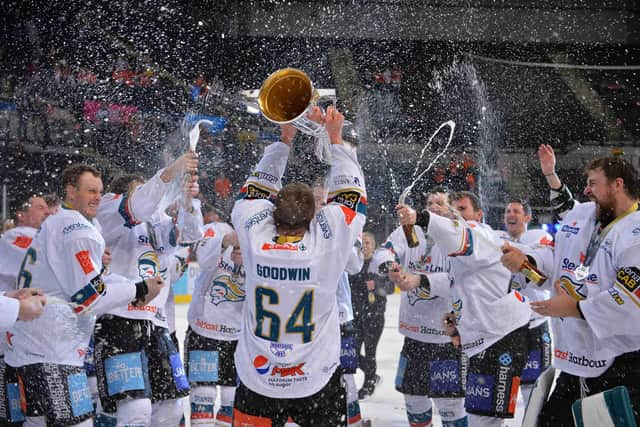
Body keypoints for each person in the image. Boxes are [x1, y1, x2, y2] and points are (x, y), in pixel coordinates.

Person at [231, 105, 367, 426]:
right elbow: (351, 192)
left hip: (258, 376)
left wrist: (285, 140)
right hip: (315, 378)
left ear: (272, 213)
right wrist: (336, 139)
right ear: (313, 217)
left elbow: (256, 189)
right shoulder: (326, 244)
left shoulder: (254, 234)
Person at [5, 164, 163, 426]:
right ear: (70, 191)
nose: (98, 198)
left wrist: (128, 283)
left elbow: (78, 282)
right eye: (90, 191)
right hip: (51, 352)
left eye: (100, 192)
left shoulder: (57, 222)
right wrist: (139, 289)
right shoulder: (75, 228)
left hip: (29, 348)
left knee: (37, 423)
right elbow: (88, 299)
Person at [502, 149, 640, 426]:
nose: (586, 191)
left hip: (620, 366)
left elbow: (630, 301)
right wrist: (527, 262)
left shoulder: (635, 234)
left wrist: (576, 308)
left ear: (618, 184)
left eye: (593, 184)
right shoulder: (587, 215)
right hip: (575, 358)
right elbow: (559, 258)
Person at [395, 190, 531, 427]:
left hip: (502, 339)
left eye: (462, 209)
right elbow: (463, 286)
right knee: (479, 417)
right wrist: (459, 325)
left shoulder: (478, 234)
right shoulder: (460, 248)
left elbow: (458, 234)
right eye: (454, 208)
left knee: (484, 420)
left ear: (479, 214)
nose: (456, 213)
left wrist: (422, 217)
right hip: (482, 338)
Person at [93, 152, 202, 426]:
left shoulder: (154, 220)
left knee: (171, 407)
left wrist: (189, 203)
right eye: (143, 191)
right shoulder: (108, 210)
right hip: (119, 323)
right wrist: (171, 171)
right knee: (136, 409)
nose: (154, 199)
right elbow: (140, 205)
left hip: (156, 324)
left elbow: (188, 236)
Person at [374, 187, 467, 427]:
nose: (435, 207)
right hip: (414, 336)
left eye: (440, 203)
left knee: (450, 405)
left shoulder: (459, 235)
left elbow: (460, 280)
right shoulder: (410, 231)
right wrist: (391, 269)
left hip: (447, 339)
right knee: (414, 399)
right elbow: (383, 252)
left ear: (451, 209)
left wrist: (419, 280)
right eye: (430, 203)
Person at [496, 198, 554, 410]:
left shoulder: (541, 238)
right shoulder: (496, 237)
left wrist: (514, 252)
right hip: (506, 328)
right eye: (508, 211)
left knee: (534, 391)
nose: (511, 214)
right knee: (502, 389)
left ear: (527, 217)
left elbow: (542, 279)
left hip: (535, 327)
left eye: (516, 211)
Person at [185, 229, 244, 427]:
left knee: (232, 398)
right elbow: (202, 258)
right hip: (204, 330)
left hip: (238, 335)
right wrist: (225, 241)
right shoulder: (219, 229)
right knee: (203, 397)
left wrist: (249, 263)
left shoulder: (263, 241)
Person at [0, 194, 50, 426]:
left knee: (29, 411)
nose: (47, 212)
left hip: (21, 338)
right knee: (13, 412)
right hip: (7, 337)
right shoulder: (15, 236)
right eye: (40, 208)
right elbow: (38, 257)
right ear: (21, 215)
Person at [348, 231, 393, 400]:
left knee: (370, 351)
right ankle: (372, 374)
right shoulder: (353, 265)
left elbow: (389, 287)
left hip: (374, 316)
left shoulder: (379, 266)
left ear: (374, 247)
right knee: (352, 351)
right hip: (356, 316)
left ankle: (369, 385)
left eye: (368, 243)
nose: (365, 247)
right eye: (363, 243)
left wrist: (377, 284)